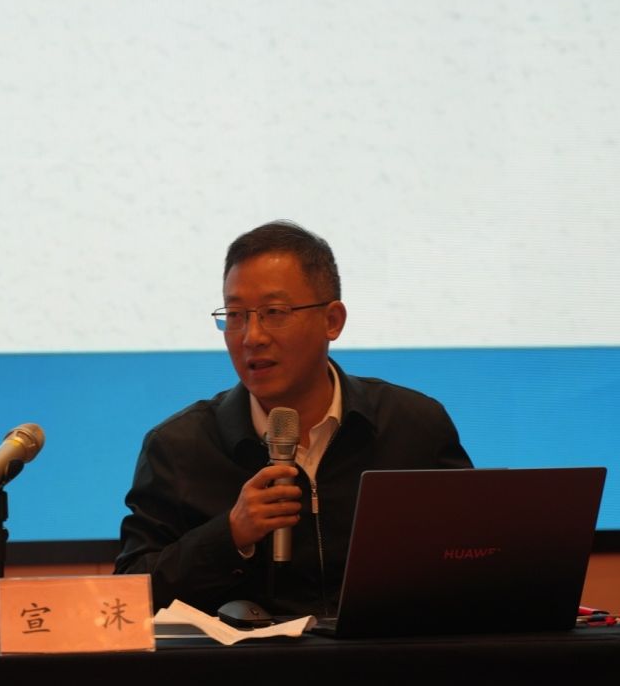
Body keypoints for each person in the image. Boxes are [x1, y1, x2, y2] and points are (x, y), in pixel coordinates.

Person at [113, 220, 471, 618]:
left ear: (332, 321)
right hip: (250, 659)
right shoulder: (178, 448)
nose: (251, 336)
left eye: (274, 312)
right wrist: (229, 536)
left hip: (387, 655)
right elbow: (129, 595)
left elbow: (477, 556)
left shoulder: (413, 426)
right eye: (235, 315)